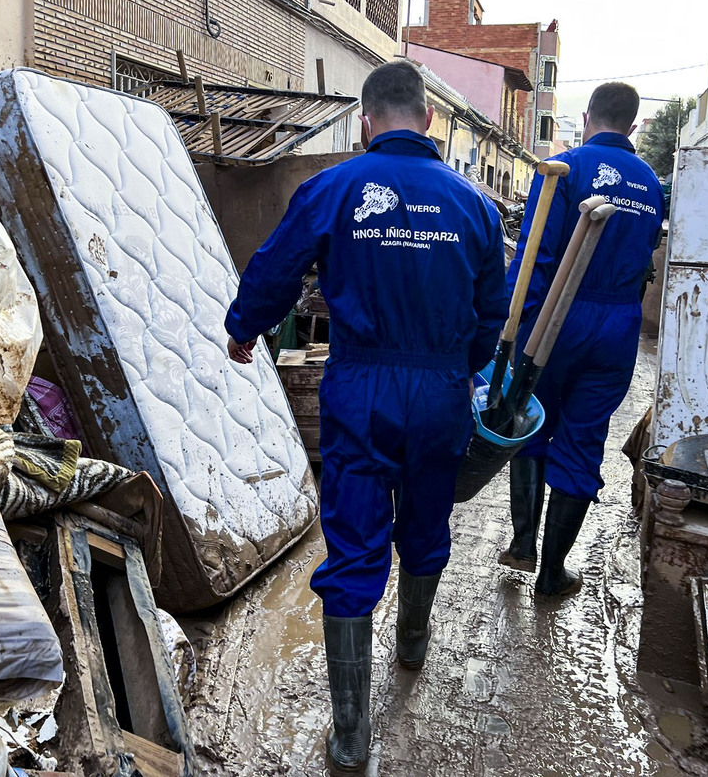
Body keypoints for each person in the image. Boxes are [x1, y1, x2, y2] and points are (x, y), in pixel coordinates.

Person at [225, 59, 507, 772]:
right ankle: (412, 641)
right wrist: (461, 366)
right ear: (431, 119)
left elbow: (276, 264)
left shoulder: (335, 187)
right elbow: (491, 314)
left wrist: (243, 328)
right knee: (425, 519)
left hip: (361, 388)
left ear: (365, 120)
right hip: (441, 390)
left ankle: (351, 734)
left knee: (354, 543)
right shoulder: (474, 206)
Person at [497, 82, 664, 596]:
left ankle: (523, 544)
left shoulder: (563, 170)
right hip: (616, 325)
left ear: (587, 116)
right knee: (583, 437)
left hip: (555, 320)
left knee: (526, 421)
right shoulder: (652, 185)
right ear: (633, 126)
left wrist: (510, 331)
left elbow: (534, 258)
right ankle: (552, 573)